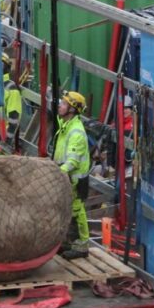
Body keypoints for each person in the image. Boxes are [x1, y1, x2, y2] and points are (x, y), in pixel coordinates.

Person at [53, 90, 91, 260]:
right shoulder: (65, 125)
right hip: (66, 177)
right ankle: (68, 242)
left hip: (74, 179)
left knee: (76, 211)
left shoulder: (76, 132)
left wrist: (56, 173)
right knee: (66, 210)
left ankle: (82, 246)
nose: (59, 106)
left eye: (63, 103)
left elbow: (72, 162)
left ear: (72, 109)